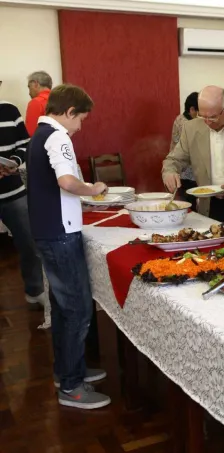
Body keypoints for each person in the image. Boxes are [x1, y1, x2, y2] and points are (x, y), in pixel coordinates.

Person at [27, 84, 111, 409]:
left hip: (48, 230)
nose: (80, 127)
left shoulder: (40, 133)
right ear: (70, 112)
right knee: (77, 308)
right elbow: (66, 181)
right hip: (60, 234)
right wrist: (94, 189)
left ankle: (67, 371)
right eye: (82, 120)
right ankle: (72, 388)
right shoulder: (59, 136)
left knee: (63, 308)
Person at [162, 86, 224, 220]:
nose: (207, 122)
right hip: (208, 204)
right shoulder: (191, 128)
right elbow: (174, 160)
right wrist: (169, 172)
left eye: (212, 117)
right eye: (202, 116)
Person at [0, 96, 48, 309]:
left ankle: (35, 290)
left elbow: (24, 144)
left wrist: (15, 162)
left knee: (30, 242)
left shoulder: (10, 111)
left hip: (13, 190)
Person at [171, 92, 199, 210]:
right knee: (190, 208)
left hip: (186, 173)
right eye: (200, 111)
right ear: (192, 109)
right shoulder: (185, 124)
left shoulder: (180, 118)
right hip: (187, 173)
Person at [25, 70, 53, 136]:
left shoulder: (36, 102)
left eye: (29, 87)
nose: (29, 93)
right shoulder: (60, 100)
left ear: (36, 84)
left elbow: (31, 132)